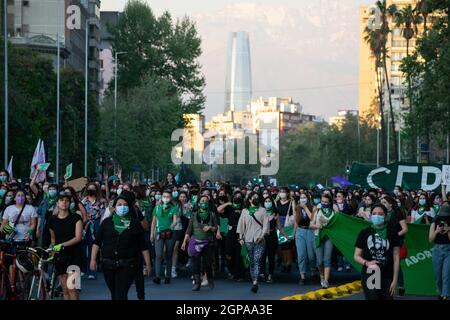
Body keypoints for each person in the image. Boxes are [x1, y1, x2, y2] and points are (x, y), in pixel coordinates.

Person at [90, 194, 151, 300]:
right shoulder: (106, 223)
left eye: (125, 205)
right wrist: (93, 259)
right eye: (119, 205)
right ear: (113, 208)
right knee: (114, 294)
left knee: (120, 295)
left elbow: (143, 246)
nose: (122, 207)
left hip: (127, 264)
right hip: (108, 264)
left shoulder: (135, 223)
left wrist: (148, 264)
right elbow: (97, 242)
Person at [354, 204, 401, 300]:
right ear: (371, 216)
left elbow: (396, 258)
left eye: (380, 214)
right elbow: (356, 256)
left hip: (387, 274)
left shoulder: (392, 233)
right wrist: (366, 263)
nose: (377, 216)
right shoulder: (365, 232)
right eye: (374, 213)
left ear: (386, 216)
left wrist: (395, 280)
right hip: (370, 273)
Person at [48, 192, 83, 300]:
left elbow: (78, 237)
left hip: (74, 255)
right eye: (61, 200)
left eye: (67, 200)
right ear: (57, 203)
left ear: (70, 203)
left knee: (72, 287)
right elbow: (53, 239)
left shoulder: (76, 217)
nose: (64, 203)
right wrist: (53, 252)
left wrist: (61, 245)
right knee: (64, 289)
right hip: (60, 256)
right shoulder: (52, 220)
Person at [181, 194, 218, 291]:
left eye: (206, 201)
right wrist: (184, 242)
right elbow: (189, 229)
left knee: (207, 263)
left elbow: (216, 228)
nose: (204, 203)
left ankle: (209, 279)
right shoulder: (194, 215)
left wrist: (210, 228)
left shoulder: (212, 215)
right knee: (196, 264)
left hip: (208, 242)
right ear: (198, 203)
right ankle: (197, 283)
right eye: (202, 201)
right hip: (195, 242)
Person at [237, 192, 269, 293]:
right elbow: (241, 225)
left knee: (257, 259)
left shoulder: (263, 210)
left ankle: (255, 282)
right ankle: (254, 280)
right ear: (250, 200)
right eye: (253, 197)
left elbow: (265, 225)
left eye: (257, 197)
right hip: (248, 239)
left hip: (259, 239)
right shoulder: (245, 211)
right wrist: (240, 238)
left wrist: (262, 235)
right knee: (251, 261)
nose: (256, 198)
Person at [380, 195, 408, 296]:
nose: (382, 204)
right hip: (384, 241)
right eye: (381, 202)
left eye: (384, 203)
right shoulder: (382, 213)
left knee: (395, 263)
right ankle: (386, 285)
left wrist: (394, 236)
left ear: (390, 204)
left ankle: (400, 286)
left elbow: (405, 229)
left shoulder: (398, 213)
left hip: (396, 242)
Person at [150, 190, 177, 284]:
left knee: (168, 255)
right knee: (158, 255)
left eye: (168, 196)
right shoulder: (157, 207)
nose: (166, 198)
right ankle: (157, 276)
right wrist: (151, 234)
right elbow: (153, 221)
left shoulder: (174, 207)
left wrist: (172, 226)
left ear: (171, 198)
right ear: (161, 197)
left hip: (169, 233)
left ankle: (167, 276)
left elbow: (175, 220)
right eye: (164, 196)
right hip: (158, 232)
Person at [81, 183, 107, 279]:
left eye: (93, 189)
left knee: (93, 248)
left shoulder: (101, 201)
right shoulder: (82, 201)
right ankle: (83, 269)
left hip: (95, 225)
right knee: (82, 248)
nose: (91, 190)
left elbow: (103, 215)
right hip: (84, 224)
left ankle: (92, 271)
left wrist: (100, 228)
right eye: (89, 189)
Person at [310, 194, 335, 289]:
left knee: (327, 260)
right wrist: (317, 226)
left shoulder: (333, 212)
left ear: (329, 202)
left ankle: (326, 281)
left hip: (329, 237)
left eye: (326, 202)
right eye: (322, 201)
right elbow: (310, 225)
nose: (324, 203)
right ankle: (322, 276)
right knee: (319, 261)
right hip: (318, 236)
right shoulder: (316, 210)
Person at [261, 195, 285, 283]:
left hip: (272, 236)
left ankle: (270, 274)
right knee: (262, 256)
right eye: (266, 201)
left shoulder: (275, 213)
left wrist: (286, 236)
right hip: (262, 236)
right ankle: (262, 273)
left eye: (269, 201)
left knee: (271, 256)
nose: (267, 203)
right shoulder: (260, 212)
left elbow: (279, 227)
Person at [294, 192, 317, 284]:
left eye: (304, 197)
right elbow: (296, 221)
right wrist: (294, 233)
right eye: (301, 197)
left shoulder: (313, 207)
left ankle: (313, 271)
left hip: (310, 231)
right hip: (300, 231)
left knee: (311, 255)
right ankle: (302, 275)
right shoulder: (297, 207)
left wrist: (305, 207)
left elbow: (312, 218)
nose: (302, 199)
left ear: (308, 198)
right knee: (301, 255)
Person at [429, 205, 450, 300]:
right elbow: (430, 239)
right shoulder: (435, 221)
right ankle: (441, 293)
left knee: (446, 275)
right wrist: (437, 231)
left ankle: (445, 295)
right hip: (437, 250)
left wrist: (448, 231)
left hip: (448, 250)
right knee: (438, 276)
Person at [275, 187, 296, 273]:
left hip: (288, 225)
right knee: (281, 246)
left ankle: (289, 263)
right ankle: (284, 263)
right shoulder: (276, 202)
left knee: (287, 246)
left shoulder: (291, 202)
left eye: (284, 192)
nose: (282, 193)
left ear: (287, 193)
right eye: (280, 192)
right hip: (278, 224)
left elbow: (294, 214)